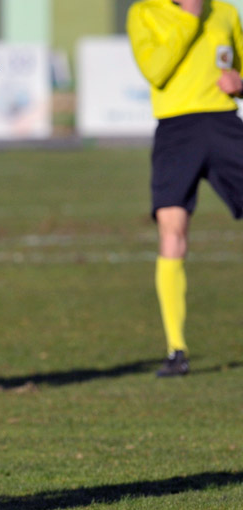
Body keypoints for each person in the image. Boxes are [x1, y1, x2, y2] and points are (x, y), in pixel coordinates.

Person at [127, 0, 243, 377]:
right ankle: (177, 349)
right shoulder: (144, 13)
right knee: (171, 233)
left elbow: (239, 65)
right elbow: (155, 70)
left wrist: (241, 83)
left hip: (225, 125)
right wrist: (189, 17)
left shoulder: (225, 11)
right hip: (176, 131)